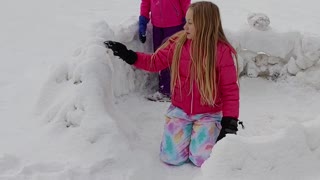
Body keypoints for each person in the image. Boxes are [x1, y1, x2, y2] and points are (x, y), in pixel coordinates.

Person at [105, 1, 241, 167]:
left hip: (208, 112)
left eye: (190, 23)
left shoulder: (221, 51)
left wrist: (230, 123)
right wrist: (128, 55)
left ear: (204, 24)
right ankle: (190, 131)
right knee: (170, 157)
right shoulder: (178, 43)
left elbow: (230, 90)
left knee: (202, 159)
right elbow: (154, 62)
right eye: (186, 21)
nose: (185, 26)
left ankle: (213, 128)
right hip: (181, 110)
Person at [139, 0, 191, 102]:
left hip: (175, 25)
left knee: (175, 58)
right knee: (160, 57)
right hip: (157, 27)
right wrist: (143, 22)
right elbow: (145, 3)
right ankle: (165, 90)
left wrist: (188, 19)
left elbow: (185, 3)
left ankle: (178, 90)